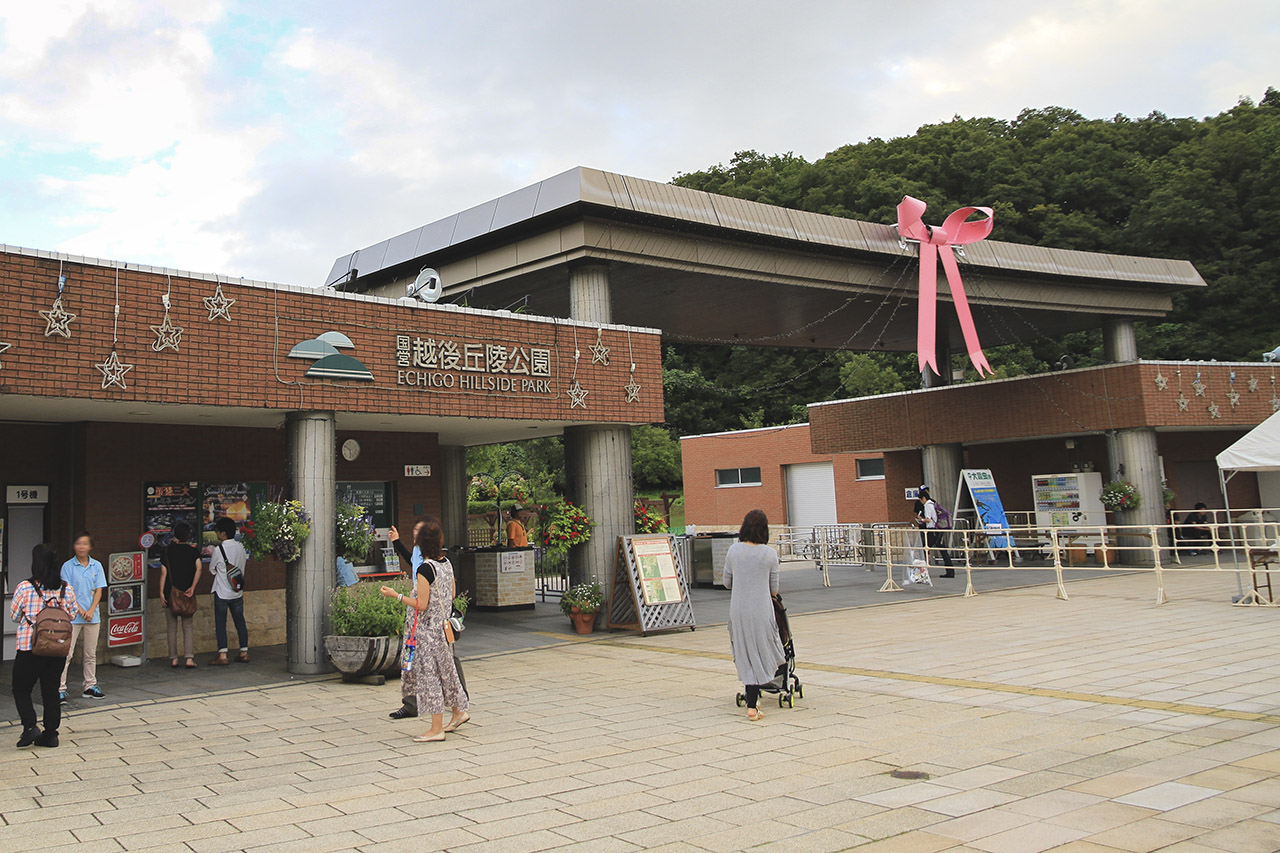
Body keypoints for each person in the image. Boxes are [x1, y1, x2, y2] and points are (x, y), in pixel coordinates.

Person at [380, 516, 469, 741]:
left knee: (430, 678)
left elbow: (421, 604)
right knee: (447, 674)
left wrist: (396, 595)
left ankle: (436, 729)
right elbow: (452, 594)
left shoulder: (425, 569)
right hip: (443, 629)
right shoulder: (446, 563)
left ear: (420, 543)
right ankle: (458, 712)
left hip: (427, 632)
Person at [11, 544, 80, 747]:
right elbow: (73, 614)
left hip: (30, 647)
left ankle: (30, 727)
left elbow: (14, 616)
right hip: (58, 648)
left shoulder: (25, 587)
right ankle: (51, 734)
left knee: (21, 689)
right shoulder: (66, 588)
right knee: (50, 690)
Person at [724, 509, 785, 722]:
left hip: (739, 611)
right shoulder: (769, 554)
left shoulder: (733, 551)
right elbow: (774, 589)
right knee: (767, 648)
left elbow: (727, 582)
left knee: (745, 651)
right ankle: (757, 699)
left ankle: (752, 699)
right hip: (761, 611)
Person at [59, 531, 106, 702]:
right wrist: (81, 611)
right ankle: (60, 688)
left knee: (90, 653)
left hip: (93, 616)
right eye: (78, 543)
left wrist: (91, 610)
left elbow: (100, 589)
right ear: (74, 546)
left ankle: (90, 685)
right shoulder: (67, 566)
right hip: (72, 616)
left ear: (90, 546)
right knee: (67, 653)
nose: (81, 547)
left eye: (85, 543)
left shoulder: (97, 566)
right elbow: (67, 591)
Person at [387, 518, 427, 720]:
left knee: (443, 659)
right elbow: (412, 561)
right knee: (409, 656)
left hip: (431, 617)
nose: (415, 534)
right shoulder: (419, 552)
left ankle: (458, 700)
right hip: (416, 612)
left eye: (418, 532)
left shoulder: (438, 559)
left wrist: (398, 596)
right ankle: (411, 704)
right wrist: (396, 542)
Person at [159, 521, 202, 668]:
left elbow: (163, 574)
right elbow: (199, 569)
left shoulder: (167, 551)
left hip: (170, 593)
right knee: (188, 626)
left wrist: (161, 593)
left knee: (171, 626)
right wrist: (193, 587)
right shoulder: (193, 552)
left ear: (175, 534)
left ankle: (174, 659)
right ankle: (189, 659)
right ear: (188, 535)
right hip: (187, 593)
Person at [208, 517, 249, 665]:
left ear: (223, 533)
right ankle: (244, 652)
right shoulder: (241, 547)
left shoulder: (218, 550)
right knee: (240, 621)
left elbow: (212, 569)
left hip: (222, 591)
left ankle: (223, 654)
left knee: (221, 622)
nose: (217, 534)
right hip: (237, 591)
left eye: (218, 532)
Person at [919, 486, 955, 577]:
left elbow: (928, 519)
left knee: (925, 548)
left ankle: (922, 571)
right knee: (942, 549)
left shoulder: (927, 505)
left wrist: (921, 519)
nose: (921, 501)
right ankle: (950, 571)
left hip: (932, 530)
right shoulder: (933, 503)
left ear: (923, 498)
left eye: (920, 500)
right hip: (937, 529)